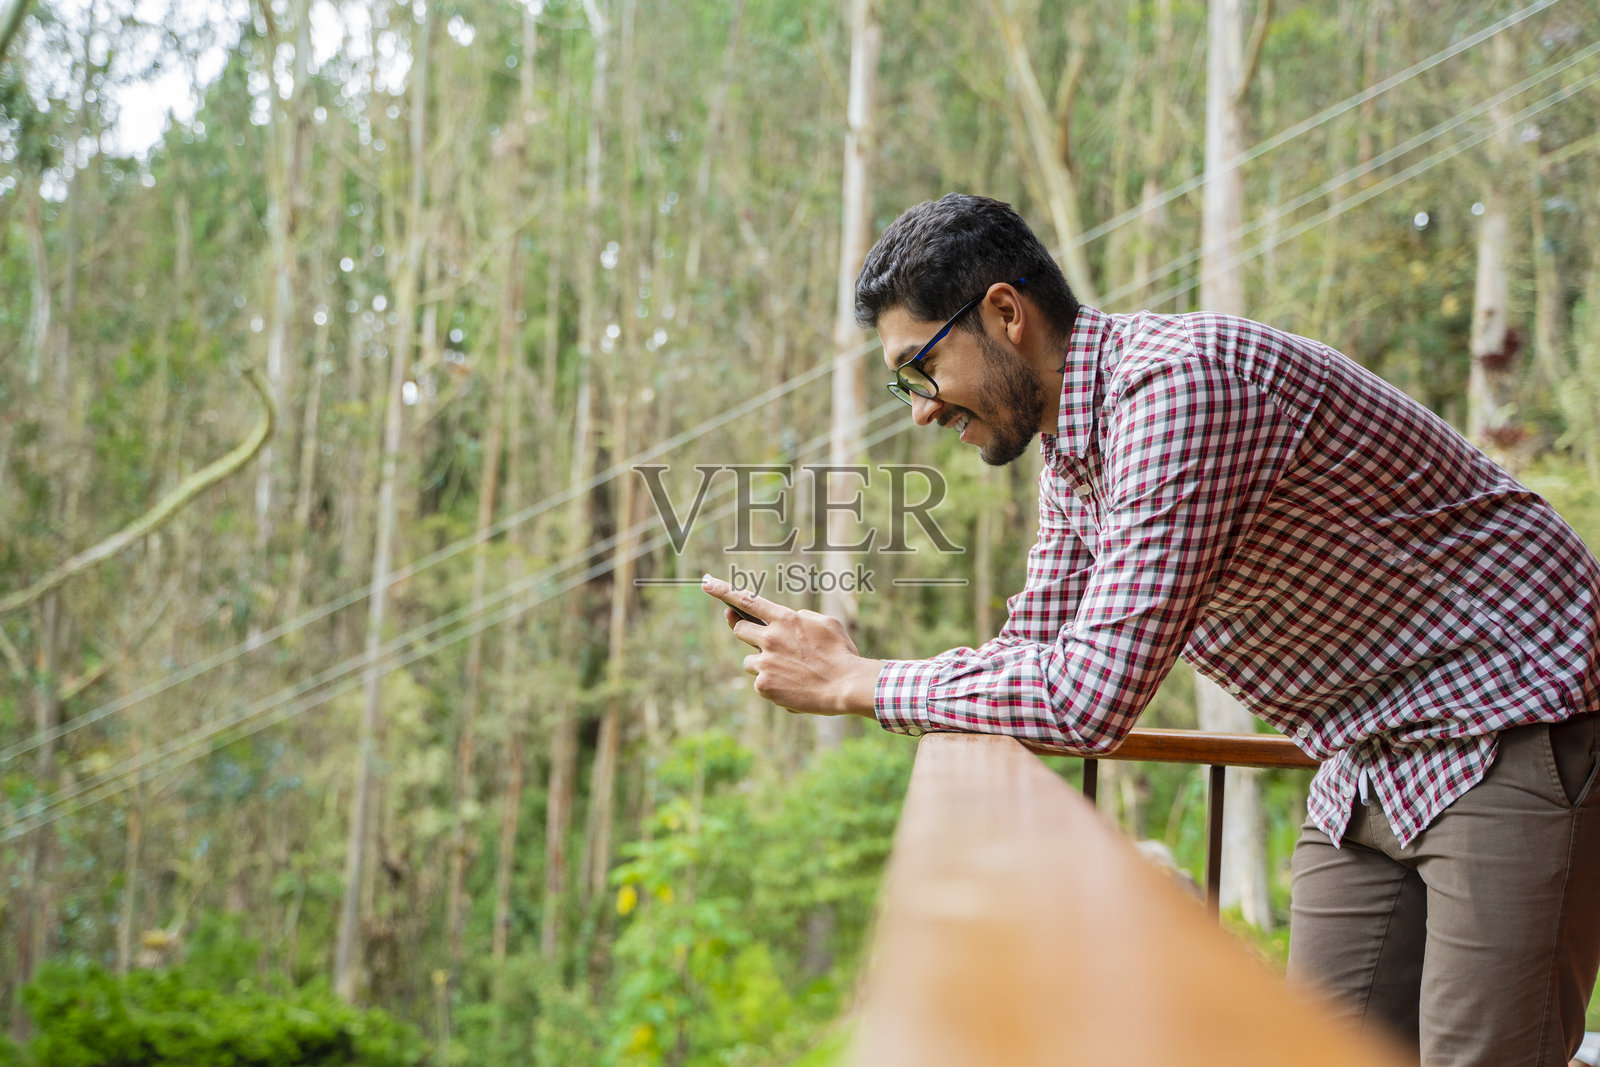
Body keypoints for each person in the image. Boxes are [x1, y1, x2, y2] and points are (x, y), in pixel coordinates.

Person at [701, 193, 1600, 1066]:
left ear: (1005, 314)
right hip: (1364, 752)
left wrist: (858, 682)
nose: (922, 408)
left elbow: (1092, 697)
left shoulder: (1176, 391)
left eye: (919, 368)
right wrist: (852, 664)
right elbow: (1036, 652)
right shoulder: (1076, 450)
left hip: (1509, 709)